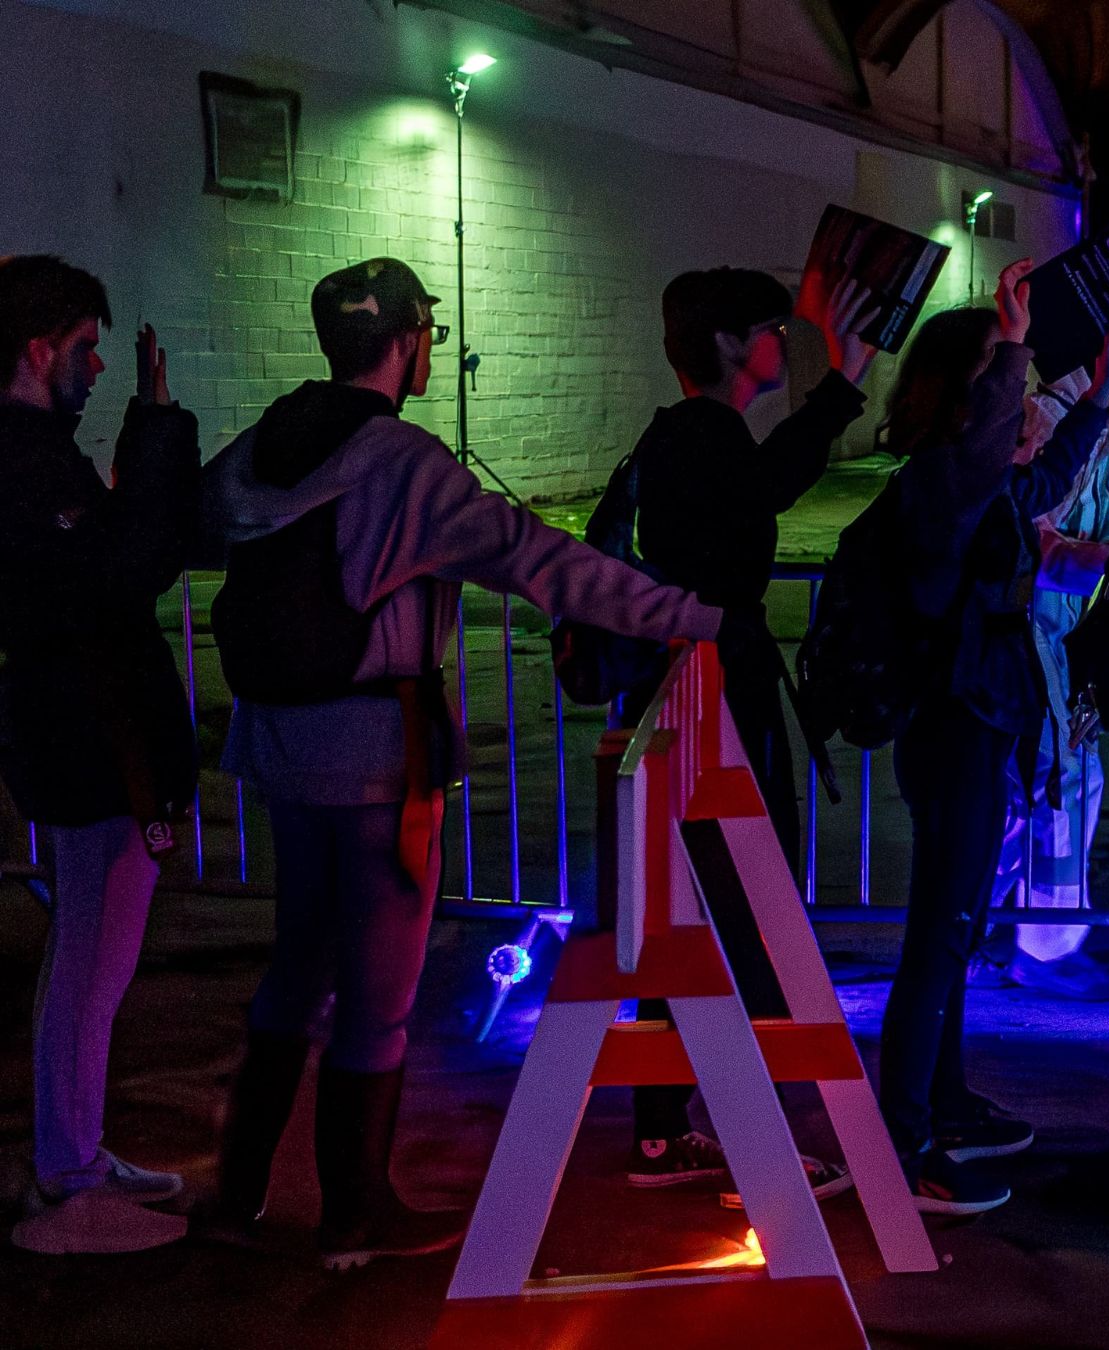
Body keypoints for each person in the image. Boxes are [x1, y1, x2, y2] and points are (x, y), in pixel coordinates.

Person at [203, 258, 728, 1269]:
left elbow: (193, 511)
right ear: (407, 340)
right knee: (380, 994)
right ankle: (356, 1218)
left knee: (293, 969)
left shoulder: (260, 442)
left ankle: (238, 1195)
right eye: (427, 334)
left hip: (275, 748)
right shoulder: (405, 463)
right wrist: (695, 615)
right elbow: (546, 563)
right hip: (375, 760)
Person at [614, 268, 883, 1201]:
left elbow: (758, 488)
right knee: (742, 918)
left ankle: (661, 1133)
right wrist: (842, 383)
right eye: (773, 327)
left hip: (690, 693)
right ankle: (757, 1149)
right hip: (713, 699)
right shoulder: (704, 434)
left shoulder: (679, 435)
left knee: (689, 919)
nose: (784, 340)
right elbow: (765, 487)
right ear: (730, 344)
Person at [872, 260, 1109, 1214]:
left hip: (985, 727)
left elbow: (1045, 474)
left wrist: (1097, 399)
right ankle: (902, 1147)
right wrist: (1012, 339)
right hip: (954, 731)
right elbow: (991, 462)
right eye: (1000, 378)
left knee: (960, 929)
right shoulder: (940, 482)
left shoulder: (986, 489)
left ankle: (942, 1102)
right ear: (966, 391)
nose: (1016, 396)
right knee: (938, 938)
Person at [0, 256, 197, 1254]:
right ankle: (68, 1178)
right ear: (38, 350)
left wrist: (148, 434)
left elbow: (110, 550)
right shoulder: (24, 462)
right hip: (88, 737)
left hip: (77, 733)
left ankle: (74, 1153)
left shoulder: (33, 455)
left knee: (90, 957)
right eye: (83, 347)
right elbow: (117, 571)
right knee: (92, 960)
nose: (97, 364)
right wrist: (159, 434)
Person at [979, 325, 1109, 1001]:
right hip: (1021, 634)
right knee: (1060, 784)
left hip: (1059, 641)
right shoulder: (1048, 423)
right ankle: (1045, 947)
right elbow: (1044, 553)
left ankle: (990, 925)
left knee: (1043, 788)